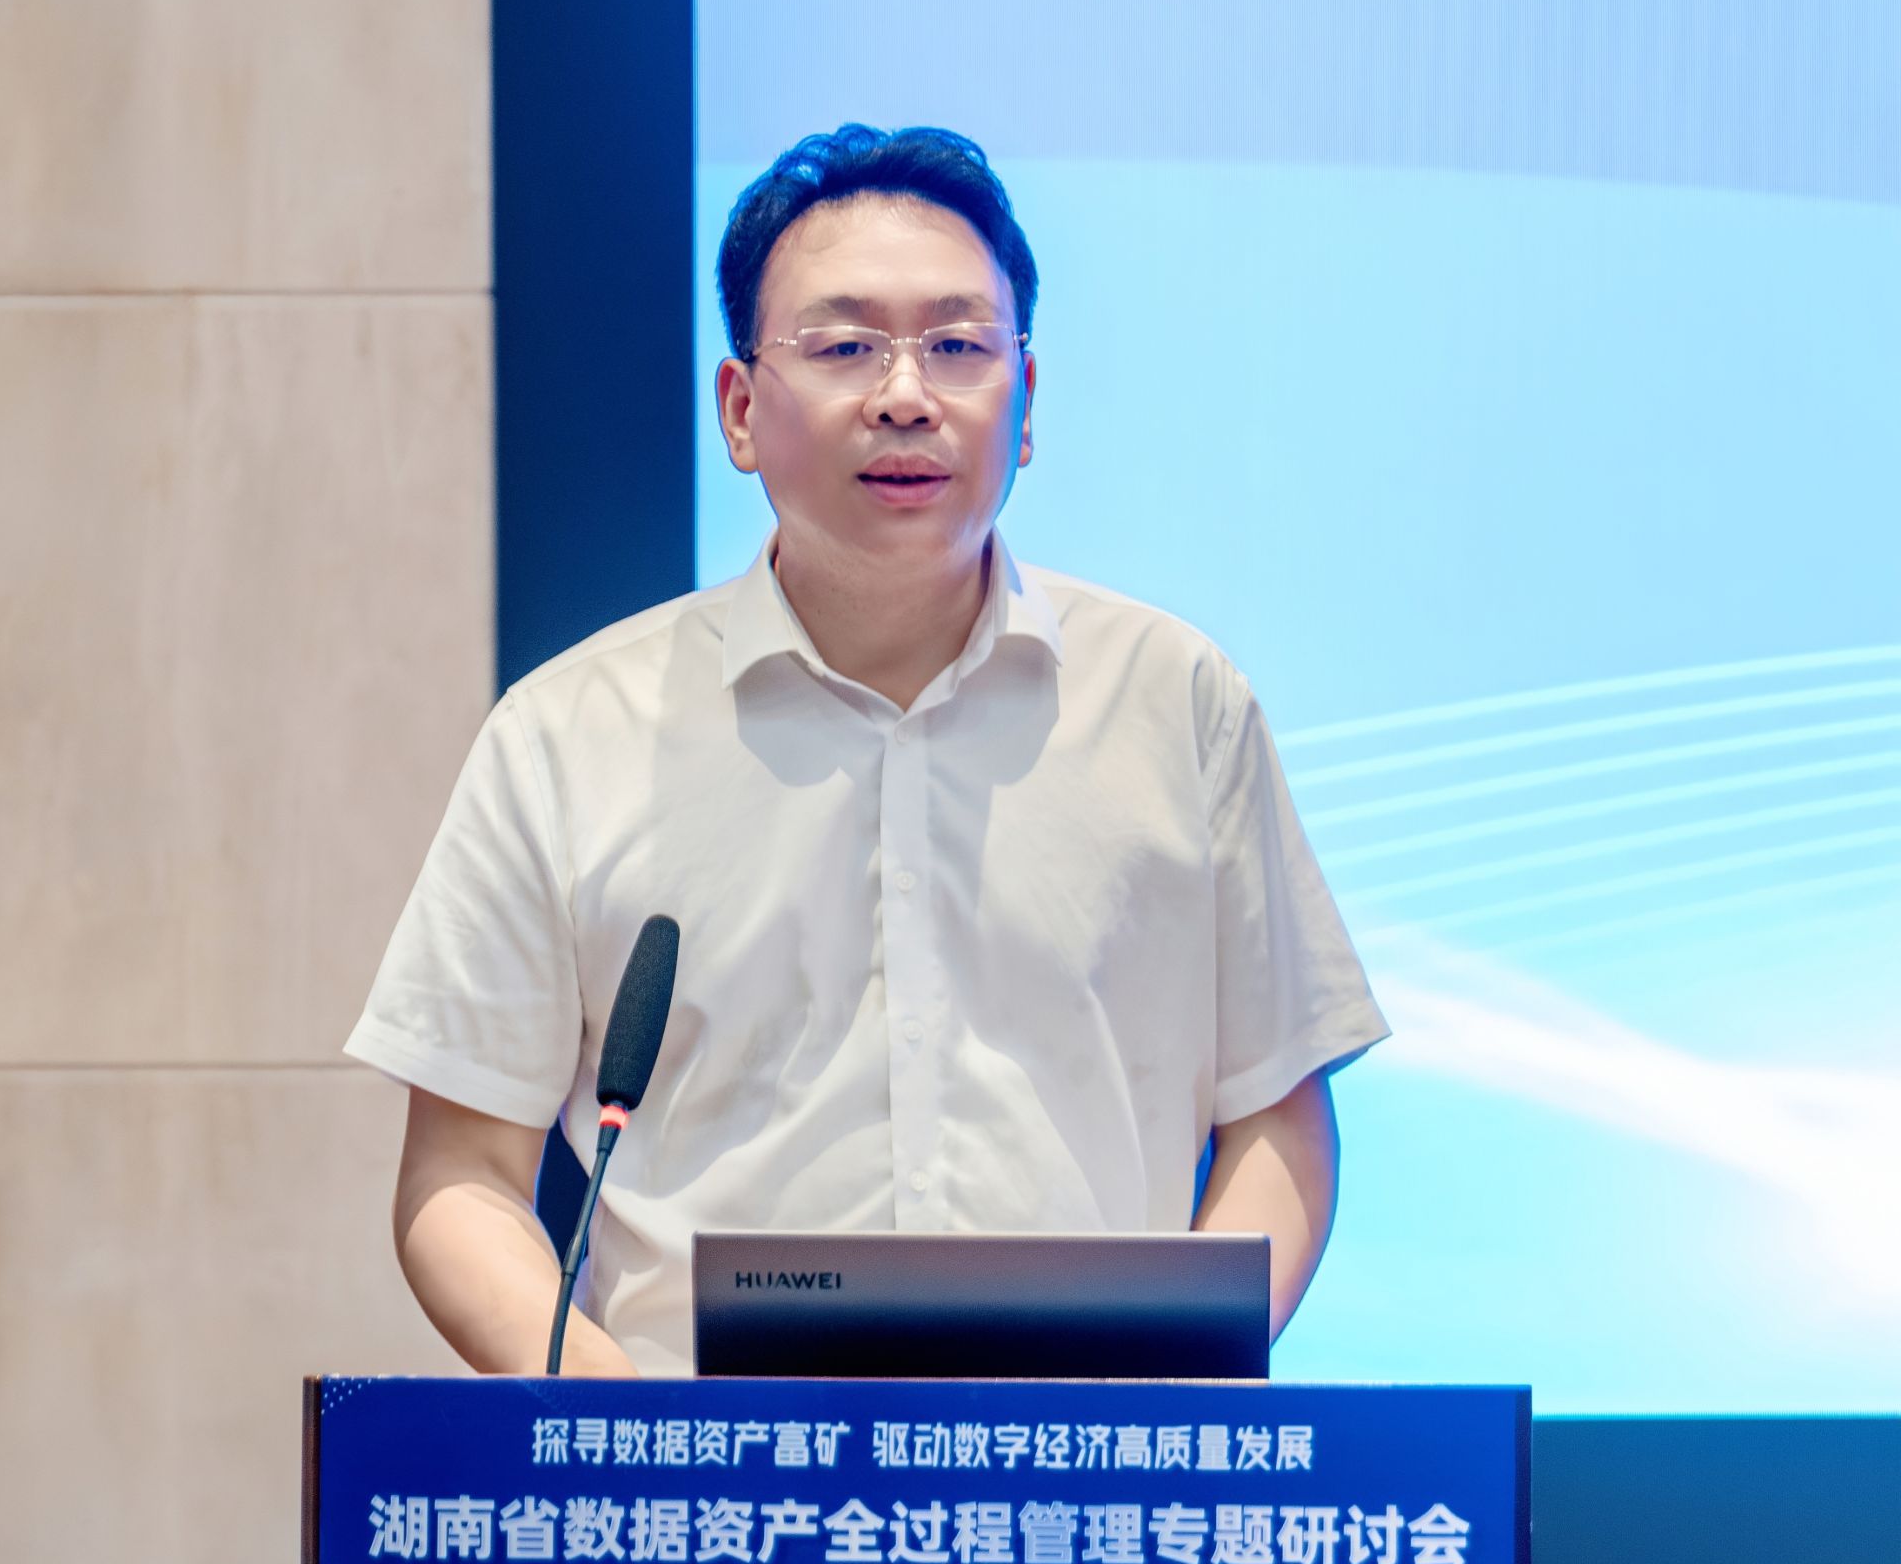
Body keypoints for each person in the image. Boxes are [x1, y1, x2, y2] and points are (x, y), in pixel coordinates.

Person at [344, 124, 1389, 1378]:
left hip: (1086, 1470)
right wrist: (636, 1438)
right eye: (843, 347)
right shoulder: (569, 735)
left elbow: (1278, 1121)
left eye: (957, 345)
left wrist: (1167, 1398)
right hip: (709, 1476)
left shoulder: (1177, 703)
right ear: (740, 410)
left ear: (1025, 399)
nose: (905, 395)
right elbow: (461, 1176)